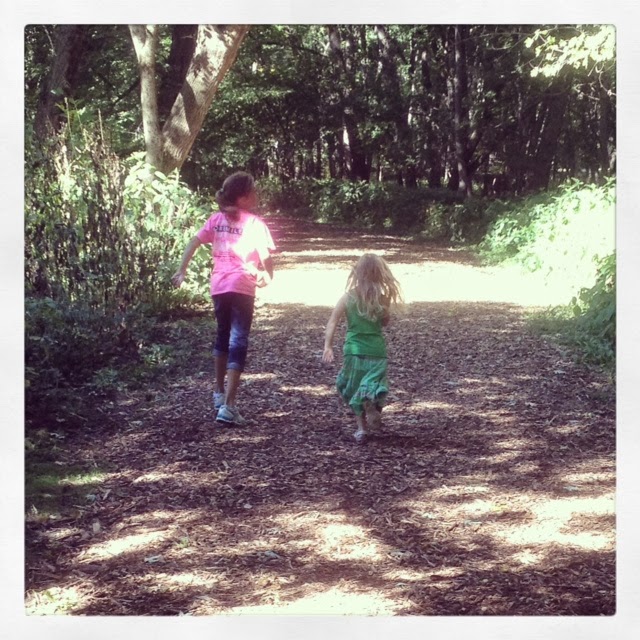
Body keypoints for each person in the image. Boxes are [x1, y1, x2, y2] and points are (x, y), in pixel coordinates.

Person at [172, 171, 275, 426]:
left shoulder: (215, 220)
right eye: (253, 191)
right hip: (242, 286)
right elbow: (265, 257)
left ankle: (218, 393)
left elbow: (194, 242)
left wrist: (182, 270)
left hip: (219, 286)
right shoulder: (254, 224)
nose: (257, 194)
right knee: (238, 340)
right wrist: (268, 274)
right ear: (243, 198)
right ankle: (229, 406)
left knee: (222, 335)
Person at [322, 253, 402, 443]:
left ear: (357, 273)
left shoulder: (347, 297)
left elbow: (333, 321)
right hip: (376, 350)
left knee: (351, 386)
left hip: (354, 350)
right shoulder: (382, 299)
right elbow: (384, 322)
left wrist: (328, 346)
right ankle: (372, 405)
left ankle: (361, 429)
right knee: (373, 386)